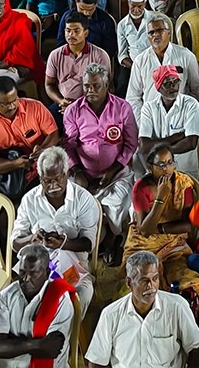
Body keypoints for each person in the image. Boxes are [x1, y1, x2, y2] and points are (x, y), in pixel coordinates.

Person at [122, 143, 199, 315]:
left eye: (170, 163)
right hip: (142, 244)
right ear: (150, 167)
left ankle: (197, 307)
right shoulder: (141, 188)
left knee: (185, 278)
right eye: (161, 165)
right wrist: (160, 199)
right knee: (139, 279)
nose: (167, 169)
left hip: (173, 243)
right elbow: (145, 230)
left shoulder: (183, 184)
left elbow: (188, 225)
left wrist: (160, 228)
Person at [63, 62, 138, 256]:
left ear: (107, 85)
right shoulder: (73, 111)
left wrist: (113, 169)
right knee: (78, 207)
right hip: (83, 174)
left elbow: (131, 143)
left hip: (116, 172)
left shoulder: (122, 108)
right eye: (87, 86)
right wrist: (78, 172)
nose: (91, 90)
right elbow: (69, 145)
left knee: (116, 203)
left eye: (96, 85)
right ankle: (89, 242)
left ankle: (111, 240)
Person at [11, 146, 100, 308]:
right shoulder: (29, 200)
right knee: (21, 301)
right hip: (37, 267)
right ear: (40, 178)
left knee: (80, 296)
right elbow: (15, 244)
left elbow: (88, 244)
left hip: (74, 267)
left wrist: (63, 244)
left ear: (66, 175)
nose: (53, 185)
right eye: (47, 181)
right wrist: (32, 238)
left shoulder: (84, 199)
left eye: (57, 179)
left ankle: (65, 333)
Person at [85, 250, 199, 368]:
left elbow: (196, 348)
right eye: (144, 280)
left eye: (155, 279)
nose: (151, 286)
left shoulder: (177, 306)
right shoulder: (110, 314)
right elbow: (96, 362)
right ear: (129, 283)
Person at [0, 71, 59, 203]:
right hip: (14, 178)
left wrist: (43, 150)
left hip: (42, 168)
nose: (12, 106)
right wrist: (14, 164)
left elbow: (53, 134)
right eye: (6, 104)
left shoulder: (35, 107)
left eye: (15, 100)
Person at [0, 243, 76, 368]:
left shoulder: (60, 299)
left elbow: (51, 349)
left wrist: (13, 344)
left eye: (33, 273)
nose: (25, 279)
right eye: (22, 272)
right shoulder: (7, 295)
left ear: (47, 273)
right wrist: (37, 345)